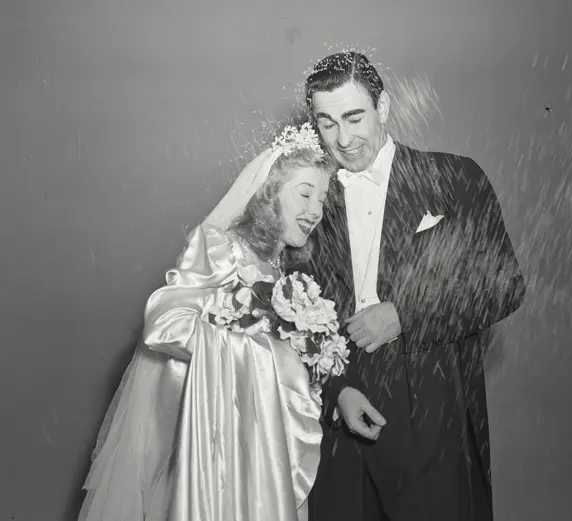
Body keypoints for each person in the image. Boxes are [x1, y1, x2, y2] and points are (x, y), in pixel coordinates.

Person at [301, 52, 527, 521]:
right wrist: (338, 389)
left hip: (430, 401)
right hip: (341, 412)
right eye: (326, 123)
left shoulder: (455, 177)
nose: (343, 139)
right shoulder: (309, 199)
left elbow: (503, 285)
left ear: (382, 107)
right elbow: (300, 309)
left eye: (354, 117)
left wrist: (404, 314)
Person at [77, 124, 337, 521]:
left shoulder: (281, 270)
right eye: (304, 193)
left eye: (322, 198)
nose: (316, 210)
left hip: (253, 447)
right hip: (211, 450)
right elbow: (166, 325)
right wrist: (272, 356)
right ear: (269, 191)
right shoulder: (222, 249)